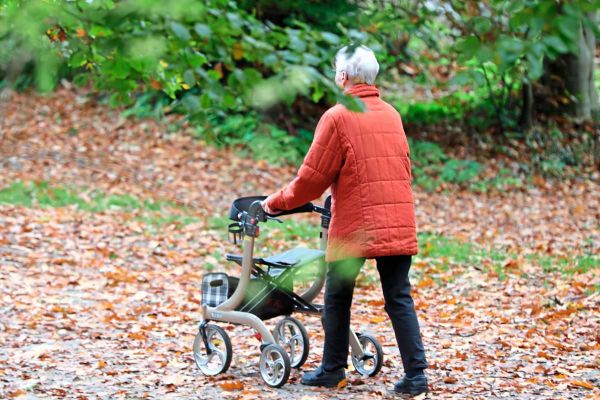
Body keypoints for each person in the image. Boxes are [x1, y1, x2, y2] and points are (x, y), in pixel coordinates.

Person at [262, 45, 428, 396]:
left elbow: (310, 181)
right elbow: (402, 167)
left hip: (356, 224)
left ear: (343, 77)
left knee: (337, 296)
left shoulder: (338, 117)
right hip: (398, 216)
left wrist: (274, 204)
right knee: (399, 296)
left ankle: (333, 369)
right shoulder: (392, 115)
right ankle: (416, 376)